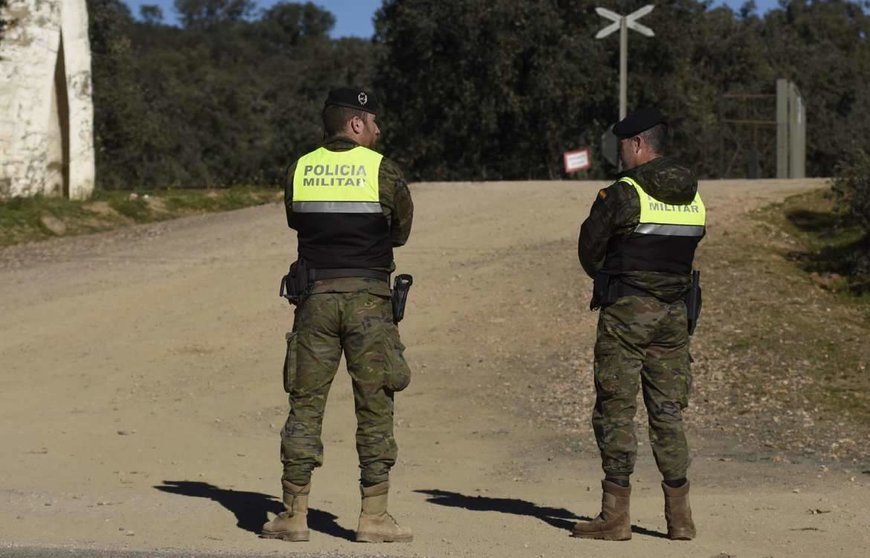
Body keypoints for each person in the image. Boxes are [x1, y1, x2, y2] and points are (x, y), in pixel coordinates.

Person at [262, 87, 414, 543]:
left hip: (315, 301)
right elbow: (401, 230)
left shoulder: (300, 169)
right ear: (354, 124)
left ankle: (292, 514)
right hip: (369, 301)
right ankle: (374, 517)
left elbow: (296, 220)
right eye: (372, 122)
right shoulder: (383, 169)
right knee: (375, 404)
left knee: (305, 403)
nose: (378, 129)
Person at [572, 107, 705, 541]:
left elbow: (590, 251)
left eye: (624, 146)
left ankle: (615, 516)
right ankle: (680, 519)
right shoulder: (693, 194)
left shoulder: (624, 194)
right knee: (668, 412)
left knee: (615, 408)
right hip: (675, 314)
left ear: (638, 144)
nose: (622, 154)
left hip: (628, 312)